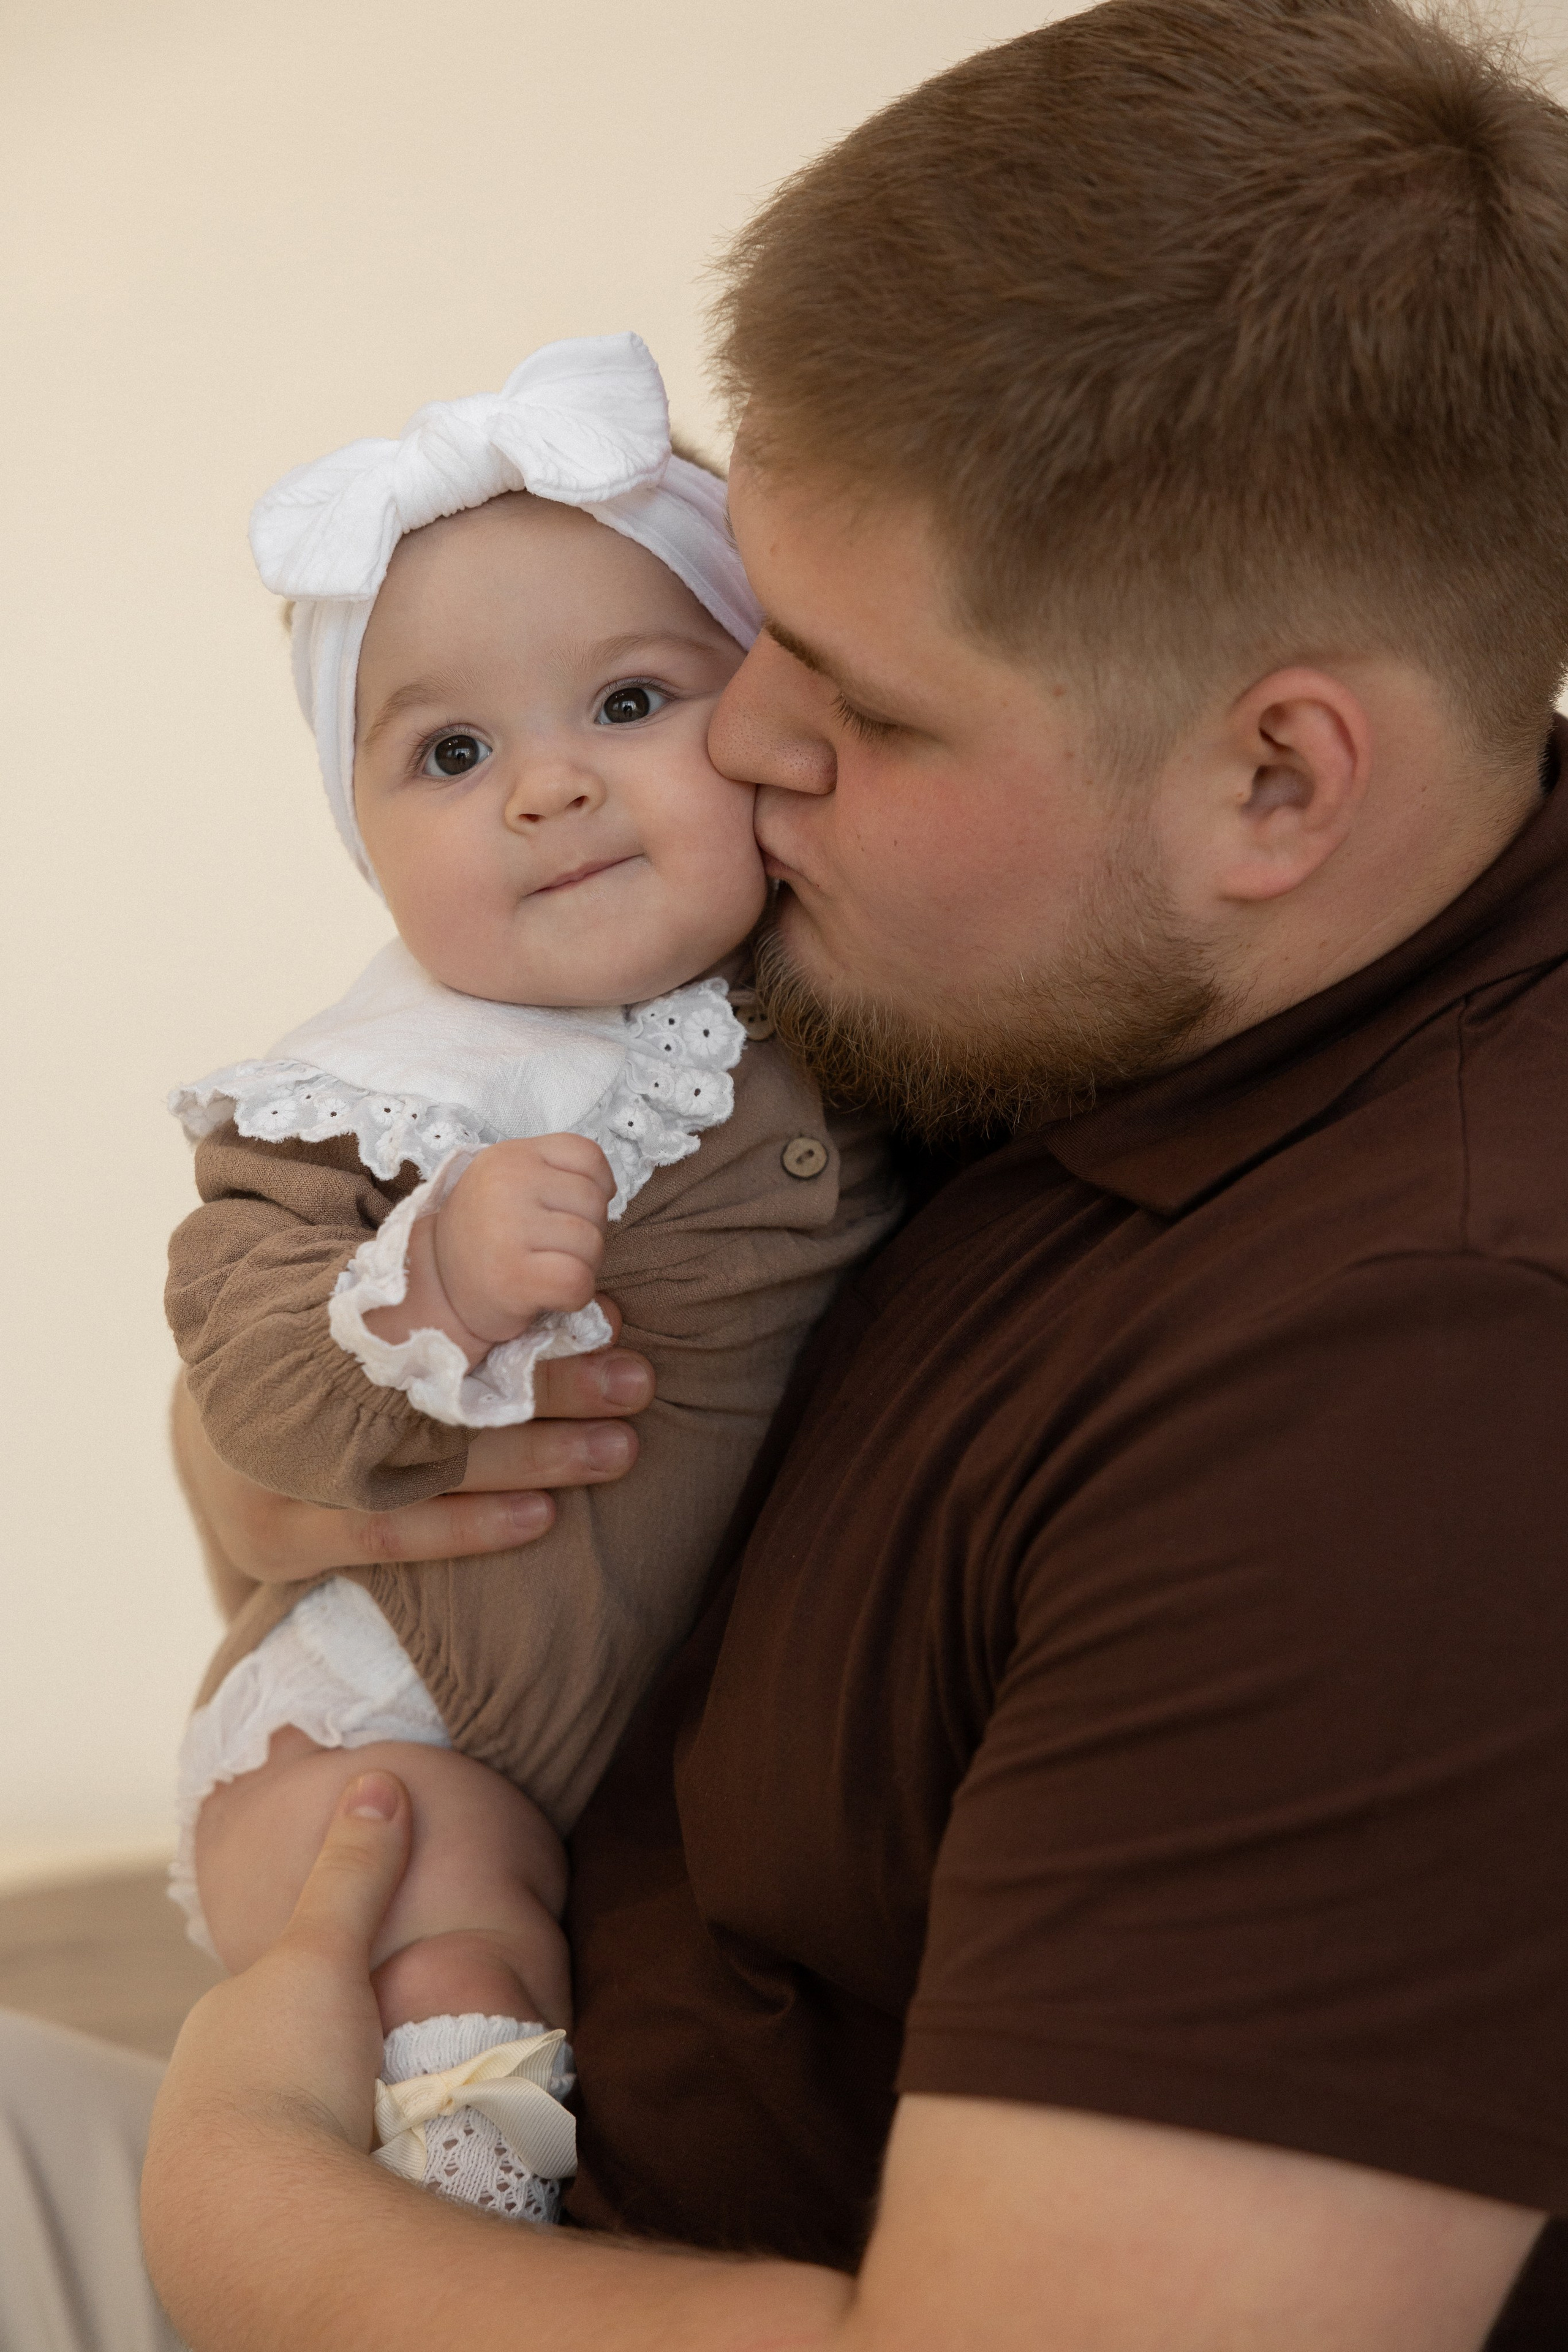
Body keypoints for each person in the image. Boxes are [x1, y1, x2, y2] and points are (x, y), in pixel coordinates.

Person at [6, 0, 1567, 2342]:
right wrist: (328, 1453)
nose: (734, 738)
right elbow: (274, 1407)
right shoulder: (1051, 960)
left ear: (1279, 783)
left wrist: (248, 2201)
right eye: (746, 626)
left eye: (861, 698)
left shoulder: (1425, 1399)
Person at [161, 334, 899, 2223]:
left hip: (647, 1737)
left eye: (634, 700)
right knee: (450, 1907)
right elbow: (242, 1363)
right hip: (377, 1710)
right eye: (453, 753)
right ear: (367, 839)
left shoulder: (864, 997)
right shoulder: (375, 1099)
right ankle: (458, 2228)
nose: (547, 792)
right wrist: (436, 1282)